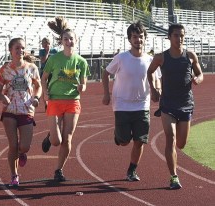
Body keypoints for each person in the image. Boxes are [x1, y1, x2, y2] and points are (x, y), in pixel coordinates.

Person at [147, 23, 203, 190]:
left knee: (181, 144)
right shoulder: (161, 57)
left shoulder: (191, 56)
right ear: (170, 37)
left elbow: (199, 73)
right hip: (168, 105)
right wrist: (154, 90)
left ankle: (174, 172)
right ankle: (174, 177)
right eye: (176, 35)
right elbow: (149, 72)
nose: (180, 38)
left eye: (182, 35)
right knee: (170, 138)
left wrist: (198, 79)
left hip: (186, 104)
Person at [102, 21, 154, 182]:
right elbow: (105, 73)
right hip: (122, 105)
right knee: (124, 141)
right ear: (129, 39)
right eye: (134, 37)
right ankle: (119, 136)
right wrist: (106, 94)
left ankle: (131, 171)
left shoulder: (150, 60)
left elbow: (156, 79)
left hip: (142, 105)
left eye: (140, 37)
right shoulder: (122, 58)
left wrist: (158, 91)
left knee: (140, 141)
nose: (138, 40)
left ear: (145, 38)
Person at [41, 16, 90, 182]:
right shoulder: (54, 59)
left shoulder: (81, 62)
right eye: (66, 39)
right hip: (55, 100)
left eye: (71, 39)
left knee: (67, 138)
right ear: (61, 41)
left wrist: (81, 88)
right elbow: (44, 77)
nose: (69, 41)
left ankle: (58, 170)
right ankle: (49, 137)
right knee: (56, 141)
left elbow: (84, 83)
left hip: (72, 101)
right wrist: (45, 94)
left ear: (76, 40)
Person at [0, 38, 42, 187]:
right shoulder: (4, 70)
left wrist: (36, 98)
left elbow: (38, 86)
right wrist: (3, 97)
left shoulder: (32, 68)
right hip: (9, 111)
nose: (20, 51)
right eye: (17, 48)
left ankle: (22, 153)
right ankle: (14, 175)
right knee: (13, 145)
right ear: (10, 50)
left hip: (26, 109)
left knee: (24, 146)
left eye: (22, 48)